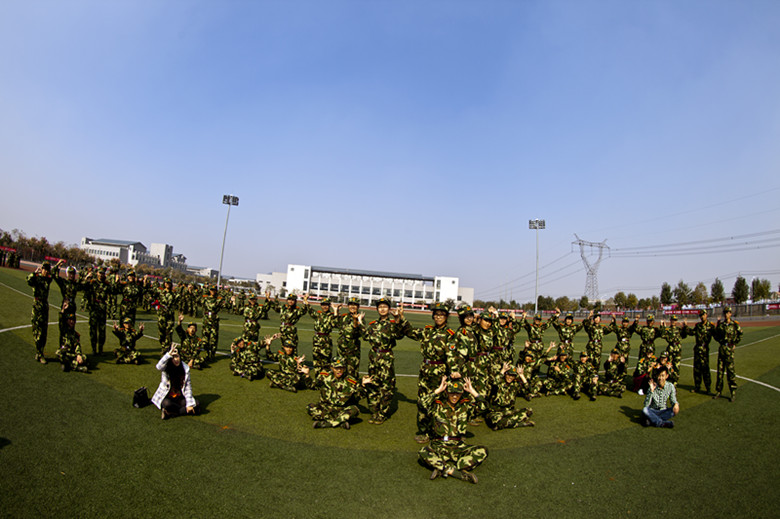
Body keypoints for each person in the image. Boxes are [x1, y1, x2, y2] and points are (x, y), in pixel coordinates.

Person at [402, 302, 458, 443]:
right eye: (436, 315)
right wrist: (401, 318)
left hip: (440, 373)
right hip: (425, 371)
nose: (438, 317)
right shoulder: (427, 331)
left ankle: (439, 431)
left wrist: (454, 371)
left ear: (446, 317)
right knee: (423, 401)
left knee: (439, 402)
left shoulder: (450, 335)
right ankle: (424, 431)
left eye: (442, 315)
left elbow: (451, 355)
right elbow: (410, 332)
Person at [418, 377, 488, 484]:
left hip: (458, 447)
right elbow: (422, 403)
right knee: (423, 452)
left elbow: (484, 407)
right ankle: (455, 472)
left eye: (458, 394)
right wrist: (438, 390)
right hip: (439, 445)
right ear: (447, 393)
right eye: (452, 393)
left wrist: (472, 391)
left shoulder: (465, 407)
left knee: (482, 451)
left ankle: (444, 468)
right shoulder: (437, 406)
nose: (455, 396)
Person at [358, 297, 406, 424]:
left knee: (386, 387)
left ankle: (382, 413)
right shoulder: (373, 324)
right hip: (374, 357)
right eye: (380, 307)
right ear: (377, 309)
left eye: (385, 307)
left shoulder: (392, 324)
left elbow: (399, 335)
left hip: (386, 358)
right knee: (372, 384)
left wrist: (398, 319)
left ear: (389, 309)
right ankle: (374, 411)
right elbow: (366, 336)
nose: (382, 309)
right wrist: (360, 322)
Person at [300, 357, 372, 429]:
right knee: (310, 407)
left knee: (354, 410)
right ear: (331, 368)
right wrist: (307, 375)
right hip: (325, 408)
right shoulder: (324, 376)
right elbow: (312, 386)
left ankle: (328, 423)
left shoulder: (350, 380)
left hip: (342, 409)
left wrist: (363, 385)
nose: (339, 370)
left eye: (341, 368)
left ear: (344, 368)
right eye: (336, 368)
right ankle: (340, 421)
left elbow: (358, 397)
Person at [152, 344, 198, 419]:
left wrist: (189, 404)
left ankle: (170, 413)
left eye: (177, 356)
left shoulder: (185, 368)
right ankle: (181, 411)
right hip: (167, 397)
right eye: (173, 357)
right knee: (167, 404)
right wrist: (168, 354)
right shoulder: (166, 367)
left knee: (196, 404)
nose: (176, 359)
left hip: (179, 397)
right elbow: (158, 366)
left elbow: (188, 387)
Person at [486, 363, 534, 430]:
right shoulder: (499, 383)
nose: (510, 377)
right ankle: (519, 423)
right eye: (509, 374)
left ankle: (507, 423)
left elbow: (529, 390)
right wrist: (503, 370)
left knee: (529, 411)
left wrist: (521, 375)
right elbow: (494, 382)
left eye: (513, 376)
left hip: (508, 411)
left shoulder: (515, 385)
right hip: (496, 412)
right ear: (505, 374)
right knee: (495, 420)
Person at [27, 260, 57, 363]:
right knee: (37, 331)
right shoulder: (37, 278)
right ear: (42, 269)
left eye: (48, 270)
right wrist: (34, 273)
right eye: (45, 269)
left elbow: (53, 274)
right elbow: (28, 280)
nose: (46, 271)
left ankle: (40, 352)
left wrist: (57, 265)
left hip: (44, 306)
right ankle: (39, 353)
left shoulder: (47, 279)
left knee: (44, 331)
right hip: (37, 306)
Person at [712, 307, 743, 402]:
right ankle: (718, 391)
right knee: (720, 372)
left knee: (730, 372)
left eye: (728, 313)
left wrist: (735, 343)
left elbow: (740, 334)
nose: (726, 314)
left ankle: (733, 392)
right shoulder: (721, 325)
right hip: (722, 349)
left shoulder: (734, 325)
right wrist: (717, 326)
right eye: (725, 313)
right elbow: (716, 335)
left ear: (730, 314)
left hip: (729, 350)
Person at [683, 309, 714, 394]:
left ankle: (708, 388)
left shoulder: (710, 326)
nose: (702, 317)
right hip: (697, 350)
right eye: (700, 315)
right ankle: (697, 387)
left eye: (703, 315)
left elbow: (716, 335)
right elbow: (692, 332)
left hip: (705, 350)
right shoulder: (698, 326)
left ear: (706, 315)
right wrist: (685, 326)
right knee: (697, 370)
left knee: (706, 370)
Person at [82, 267, 112, 355]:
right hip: (94, 308)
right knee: (93, 330)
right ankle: (94, 349)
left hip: (102, 309)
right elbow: (83, 287)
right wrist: (87, 278)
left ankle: (100, 349)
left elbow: (113, 290)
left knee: (102, 331)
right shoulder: (92, 283)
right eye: (100, 273)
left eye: (103, 273)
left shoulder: (106, 284)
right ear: (97, 273)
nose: (101, 275)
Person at [53, 264, 82, 348]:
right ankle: (61, 348)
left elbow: (85, 286)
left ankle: (70, 347)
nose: (71, 275)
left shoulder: (75, 284)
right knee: (62, 328)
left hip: (72, 308)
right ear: (67, 274)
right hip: (65, 307)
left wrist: (87, 276)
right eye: (70, 273)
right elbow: (54, 276)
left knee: (71, 328)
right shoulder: (63, 282)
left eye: (73, 274)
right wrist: (57, 266)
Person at [308, 298, 338, 373]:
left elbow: (335, 323)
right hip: (317, 340)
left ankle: (326, 378)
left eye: (326, 305)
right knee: (316, 361)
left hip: (326, 340)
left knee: (326, 361)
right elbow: (310, 310)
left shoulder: (331, 316)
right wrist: (305, 301)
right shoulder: (318, 315)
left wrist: (335, 310)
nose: (325, 307)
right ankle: (317, 377)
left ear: (329, 306)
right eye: (323, 305)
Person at [335, 298, 363, 378]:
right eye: (351, 305)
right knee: (340, 367)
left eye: (355, 305)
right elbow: (335, 324)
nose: (352, 307)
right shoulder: (344, 317)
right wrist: (336, 311)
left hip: (353, 347)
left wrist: (356, 320)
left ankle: (352, 384)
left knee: (352, 370)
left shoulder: (360, 317)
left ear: (358, 307)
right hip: (342, 346)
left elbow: (358, 331)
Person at [150, 278, 178, 353]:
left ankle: (166, 348)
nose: (167, 284)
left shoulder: (174, 294)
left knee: (169, 332)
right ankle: (163, 345)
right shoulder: (160, 291)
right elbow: (151, 292)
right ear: (164, 283)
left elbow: (178, 300)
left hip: (170, 315)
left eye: (169, 283)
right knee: (161, 332)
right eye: (166, 283)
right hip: (162, 314)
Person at [201, 285, 225, 361]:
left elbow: (226, 306)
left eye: (214, 290)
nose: (212, 292)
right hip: (206, 320)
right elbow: (198, 300)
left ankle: (212, 355)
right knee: (205, 338)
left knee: (213, 339)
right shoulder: (205, 298)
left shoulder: (218, 299)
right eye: (211, 290)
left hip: (214, 321)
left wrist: (230, 300)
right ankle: (207, 353)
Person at [659, 316, 684, 384]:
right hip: (670, 349)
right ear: (670, 321)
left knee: (676, 367)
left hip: (677, 350)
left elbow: (684, 335)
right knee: (668, 365)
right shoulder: (668, 329)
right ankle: (668, 382)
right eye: (672, 320)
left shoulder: (679, 330)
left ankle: (675, 383)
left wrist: (684, 327)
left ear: (676, 321)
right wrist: (662, 327)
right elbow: (662, 335)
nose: (673, 321)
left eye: (675, 320)